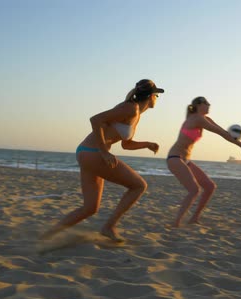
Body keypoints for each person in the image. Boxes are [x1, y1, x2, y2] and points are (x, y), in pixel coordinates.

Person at [40, 79, 164, 242]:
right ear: (150, 96)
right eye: (157, 95)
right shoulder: (129, 108)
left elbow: (126, 145)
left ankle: (47, 235)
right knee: (139, 185)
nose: (157, 99)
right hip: (93, 153)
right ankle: (109, 227)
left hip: (87, 153)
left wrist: (147, 144)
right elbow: (95, 120)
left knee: (90, 208)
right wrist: (104, 152)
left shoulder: (135, 114)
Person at [166, 96, 241, 227]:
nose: (209, 105)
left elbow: (223, 131)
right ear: (199, 105)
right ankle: (176, 223)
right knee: (194, 190)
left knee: (210, 187)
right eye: (207, 103)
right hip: (175, 158)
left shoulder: (204, 119)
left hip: (185, 160)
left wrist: (237, 141)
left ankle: (194, 218)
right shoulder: (198, 119)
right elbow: (220, 133)